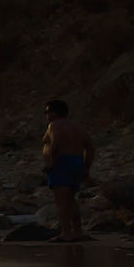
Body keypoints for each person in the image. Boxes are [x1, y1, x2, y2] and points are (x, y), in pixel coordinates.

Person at [41, 99, 94, 242]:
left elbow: (55, 143)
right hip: (76, 161)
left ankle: (66, 232)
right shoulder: (78, 126)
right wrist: (86, 167)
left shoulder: (54, 125)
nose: (46, 115)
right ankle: (78, 231)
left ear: (54, 112)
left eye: (47, 112)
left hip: (61, 163)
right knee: (71, 199)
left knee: (61, 201)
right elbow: (90, 147)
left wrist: (51, 163)